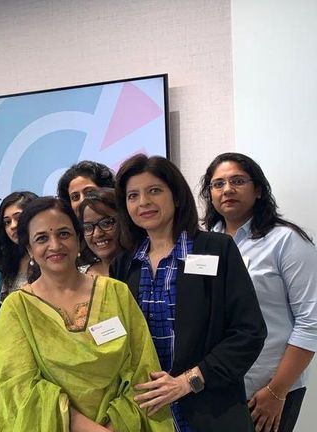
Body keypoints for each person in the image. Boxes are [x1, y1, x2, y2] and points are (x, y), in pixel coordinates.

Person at [0, 197, 173, 431]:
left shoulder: (116, 293)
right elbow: (18, 389)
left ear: (78, 239)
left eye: (64, 234)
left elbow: (143, 370)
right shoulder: (17, 308)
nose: (55, 245)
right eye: (42, 238)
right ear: (29, 249)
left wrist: (116, 425)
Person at [110, 154, 267, 431]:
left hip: (210, 410)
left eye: (154, 190)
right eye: (133, 195)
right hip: (148, 413)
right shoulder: (124, 264)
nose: (143, 202)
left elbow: (249, 332)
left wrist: (188, 381)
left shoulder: (217, 249)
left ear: (177, 196)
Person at [200, 152, 317, 432]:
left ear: (259, 190)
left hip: (266, 389)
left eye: (238, 181)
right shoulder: (203, 244)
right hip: (215, 384)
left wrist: (277, 391)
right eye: (218, 184)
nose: (227, 189)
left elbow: (310, 322)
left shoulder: (286, 241)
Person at [0, 191, 37, 301]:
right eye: (7, 222)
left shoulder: (52, 254)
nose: (13, 226)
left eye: (18, 218)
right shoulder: (11, 260)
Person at [77, 188, 123, 277]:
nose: (97, 234)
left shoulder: (145, 269)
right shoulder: (78, 276)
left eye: (106, 223)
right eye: (88, 227)